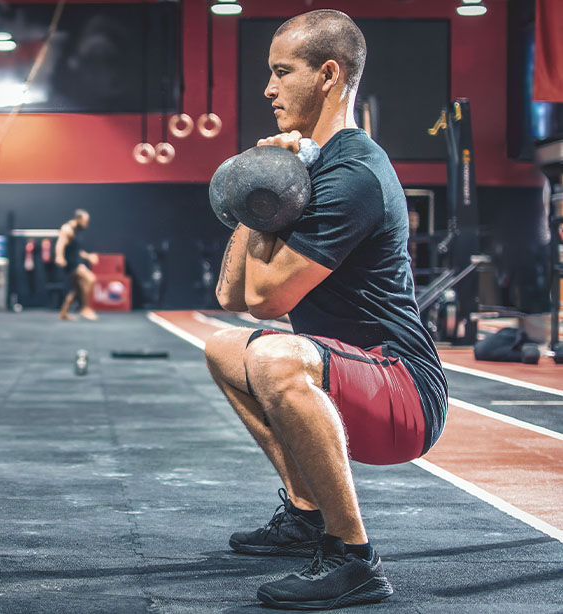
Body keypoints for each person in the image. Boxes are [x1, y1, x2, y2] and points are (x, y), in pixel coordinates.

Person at [203, 10, 447, 610]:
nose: (268, 88)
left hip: (403, 390)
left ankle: (353, 557)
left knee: (276, 358)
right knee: (224, 346)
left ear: (329, 74)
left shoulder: (353, 173)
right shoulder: (315, 166)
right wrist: (263, 188)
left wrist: (268, 194)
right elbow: (230, 298)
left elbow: (267, 299)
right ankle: (306, 516)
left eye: (282, 72)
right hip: (353, 372)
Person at [55, 209, 100, 321]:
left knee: (77, 290)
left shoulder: (76, 230)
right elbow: (60, 243)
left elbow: (77, 250)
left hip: (76, 261)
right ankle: (85, 308)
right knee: (90, 279)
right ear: (78, 219)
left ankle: (63, 313)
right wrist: (59, 256)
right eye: (85, 221)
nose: (86, 224)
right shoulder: (67, 228)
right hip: (72, 264)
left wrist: (88, 256)